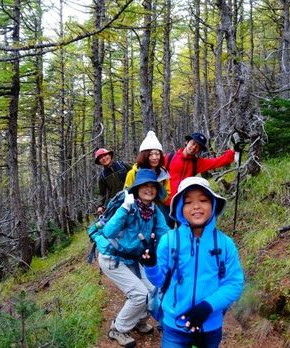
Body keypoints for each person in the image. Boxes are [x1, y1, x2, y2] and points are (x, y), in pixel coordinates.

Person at [140, 176, 244, 348]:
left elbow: (234, 283)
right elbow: (159, 281)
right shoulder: (169, 240)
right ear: (181, 209)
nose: (196, 206)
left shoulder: (225, 244)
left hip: (210, 327)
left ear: (213, 205)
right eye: (188, 202)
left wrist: (208, 306)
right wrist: (151, 265)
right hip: (175, 327)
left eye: (203, 200)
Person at [94, 168, 170, 347]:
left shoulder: (153, 209)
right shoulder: (128, 206)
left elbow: (165, 233)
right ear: (137, 188)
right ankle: (117, 329)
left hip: (134, 258)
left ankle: (138, 321)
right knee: (139, 295)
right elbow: (108, 231)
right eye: (145, 185)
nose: (149, 189)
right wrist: (124, 208)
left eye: (153, 186)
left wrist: (183, 242)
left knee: (154, 290)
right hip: (113, 258)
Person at [164, 132, 241, 208]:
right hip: (165, 203)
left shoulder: (196, 163)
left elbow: (219, 161)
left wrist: (233, 150)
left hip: (183, 205)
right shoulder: (170, 157)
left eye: (198, 147)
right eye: (193, 143)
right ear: (187, 142)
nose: (194, 147)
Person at [124, 130, 171, 224]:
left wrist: (157, 198)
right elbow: (126, 193)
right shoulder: (133, 173)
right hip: (138, 213)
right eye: (150, 154)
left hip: (159, 211)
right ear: (144, 156)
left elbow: (167, 193)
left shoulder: (163, 173)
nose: (154, 157)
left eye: (157, 154)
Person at [95, 148, 131, 216]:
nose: (104, 158)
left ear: (110, 155)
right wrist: (100, 206)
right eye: (100, 158)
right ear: (99, 162)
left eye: (105, 155)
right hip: (116, 202)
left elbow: (136, 173)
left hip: (131, 196)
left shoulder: (123, 165)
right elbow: (102, 194)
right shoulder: (102, 176)